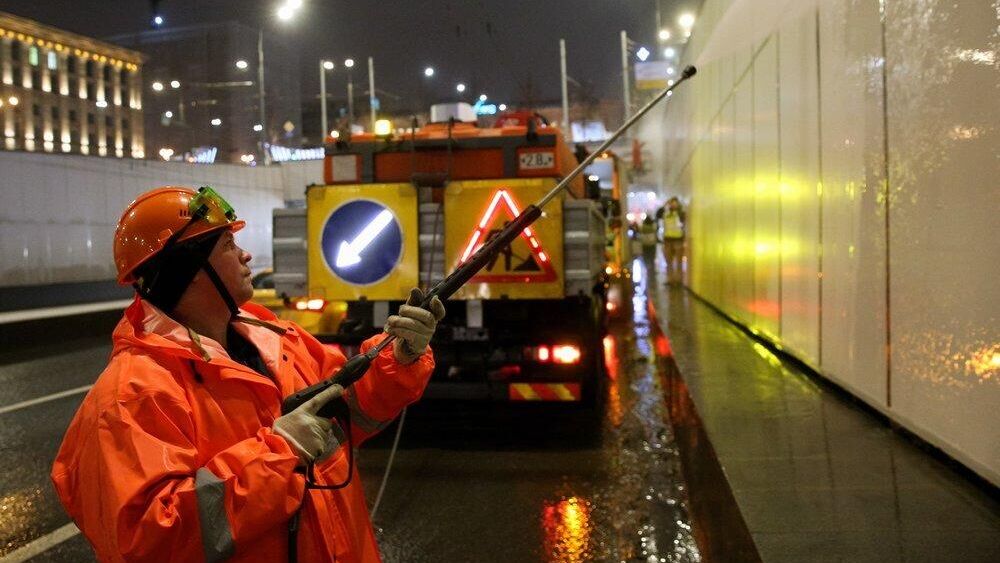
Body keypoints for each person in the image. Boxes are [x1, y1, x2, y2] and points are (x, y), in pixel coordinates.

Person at [51, 186, 445, 562]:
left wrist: (399, 357)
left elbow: (350, 409)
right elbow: (148, 539)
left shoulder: (277, 341)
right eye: (227, 246)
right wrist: (280, 453)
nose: (246, 256)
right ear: (188, 269)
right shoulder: (133, 394)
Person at [657, 197, 686, 284]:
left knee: (679, 262)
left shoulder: (680, 213)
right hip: (668, 240)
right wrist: (664, 205)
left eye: (675, 203)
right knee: (668, 261)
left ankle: (679, 280)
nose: (673, 205)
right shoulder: (666, 213)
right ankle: (670, 280)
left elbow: (683, 221)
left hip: (678, 240)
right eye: (671, 203)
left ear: (678, 204)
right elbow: (658, 214)